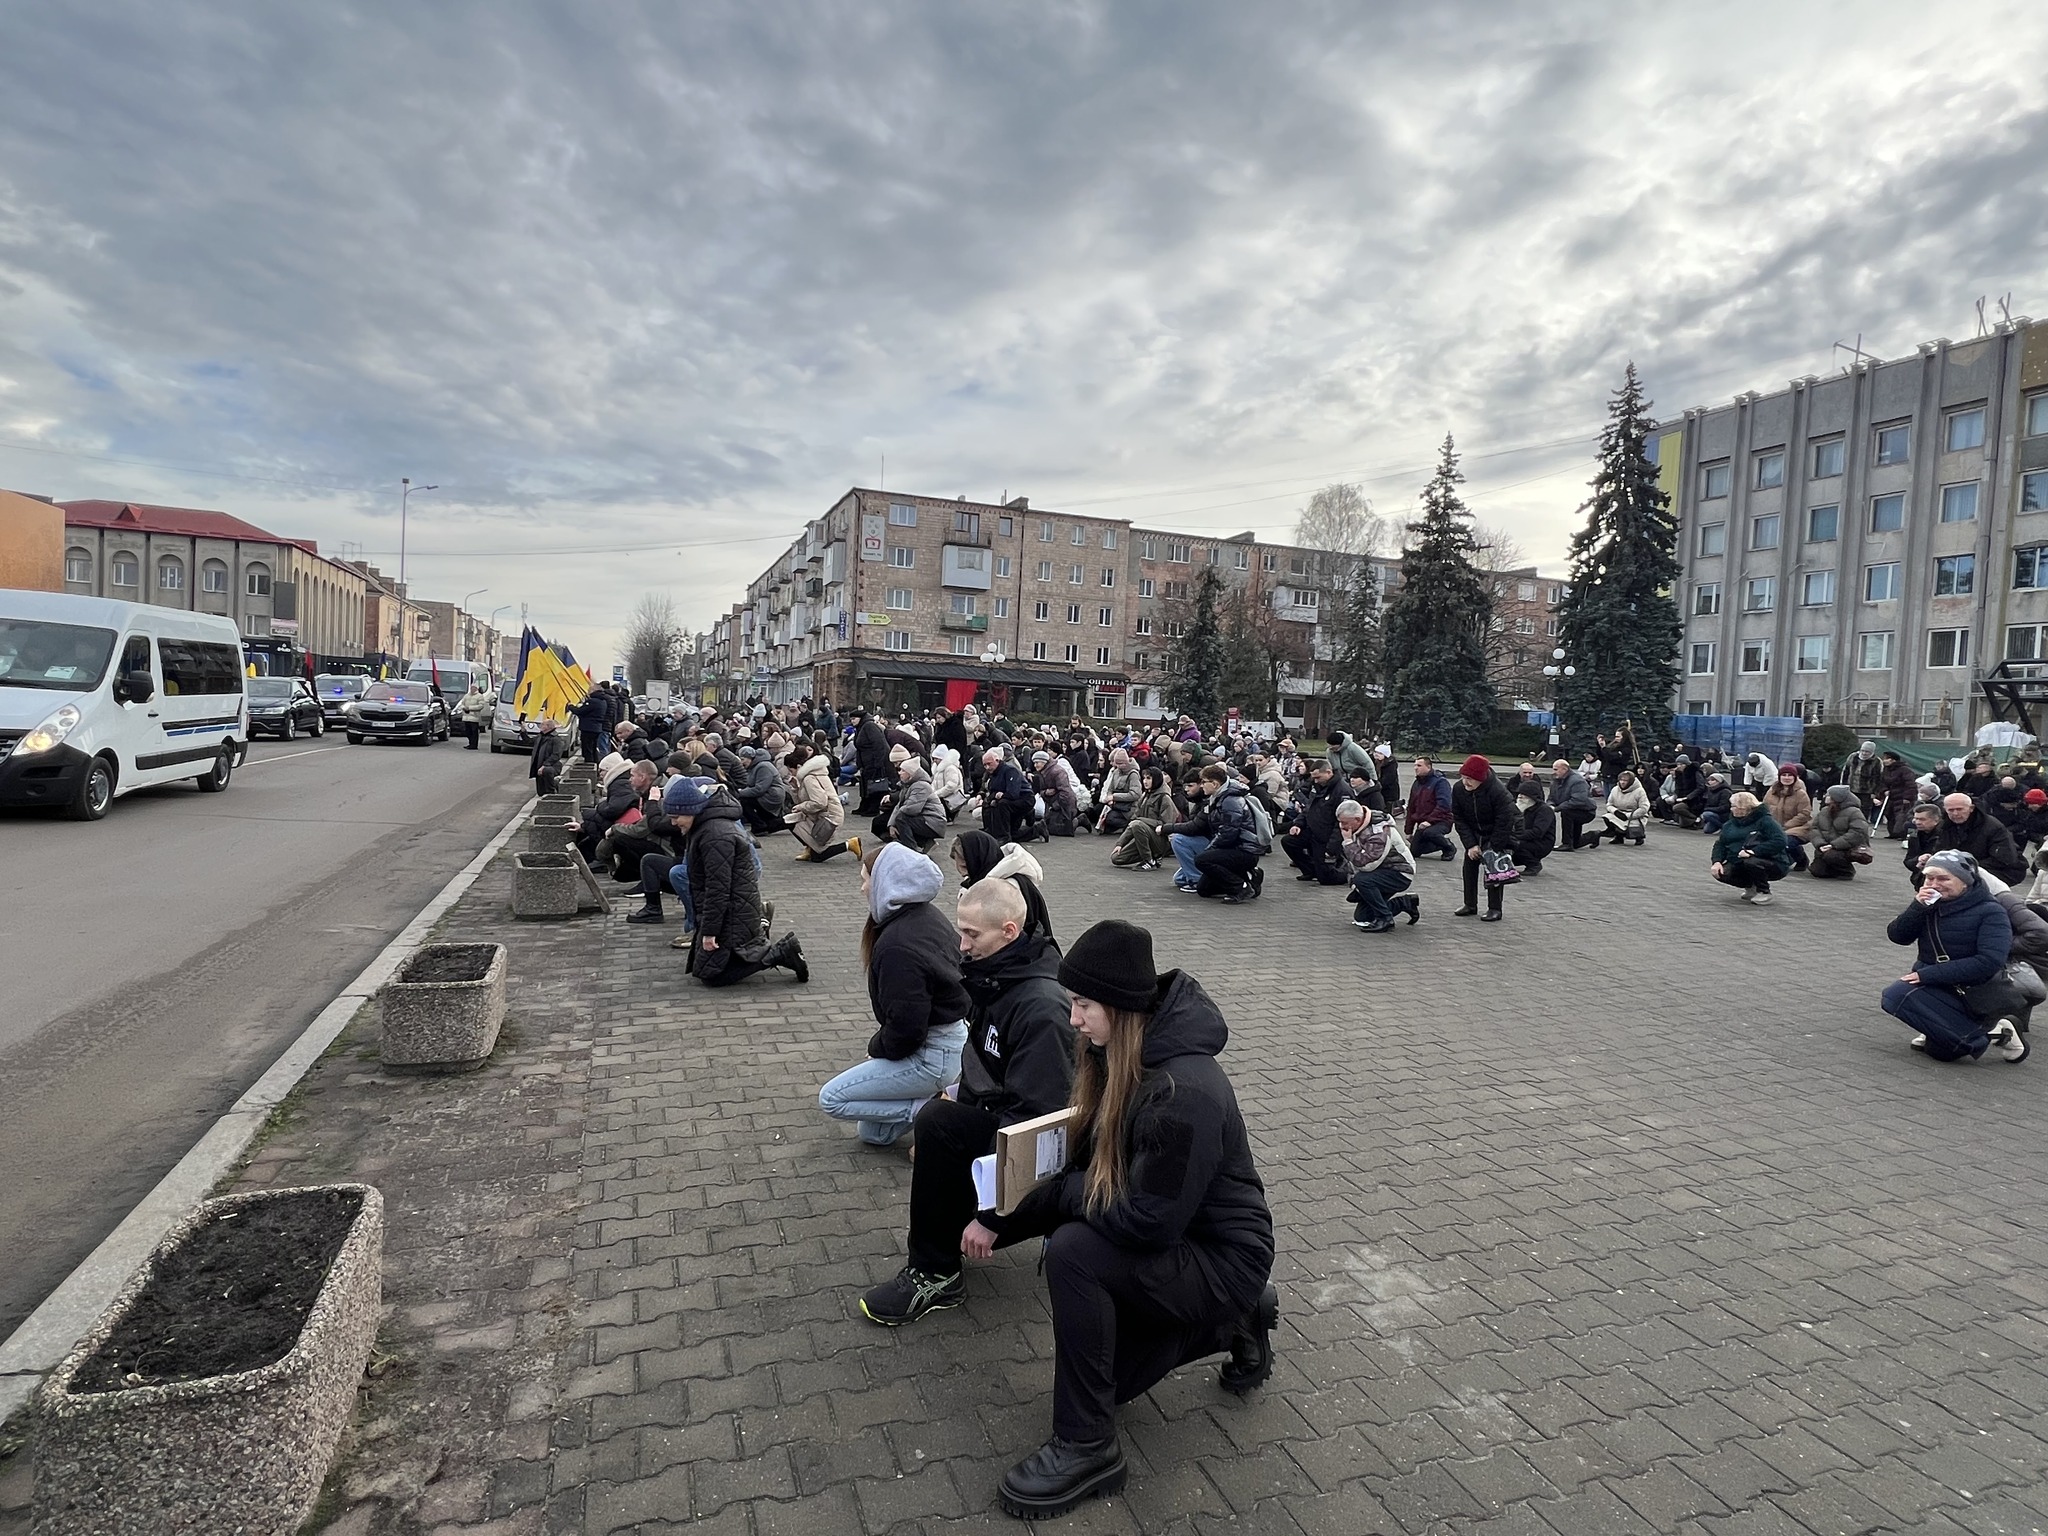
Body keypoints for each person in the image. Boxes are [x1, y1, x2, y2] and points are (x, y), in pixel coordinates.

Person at [967, 921, 1276, 1520]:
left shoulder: (1182, 1092)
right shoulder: (1118, 1055)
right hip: (1180, 1240)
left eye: (1083, 1005)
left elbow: (1143, 1222)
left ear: (1122, 1007)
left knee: (1076, 1251)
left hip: (1219, 1257)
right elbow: (1083, 1167)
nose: (1072, 1018)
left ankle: (1087, 1447)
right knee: (1114, 1381)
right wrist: (998, 1220)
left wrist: (1054, 1207)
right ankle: (1234, 1322)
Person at [860, 879, 1078, 1326]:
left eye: (972, 935)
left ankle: (935, 1273)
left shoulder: (1040, 1007)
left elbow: (1041, 1126)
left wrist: (993, 1217)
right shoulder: (996, 977)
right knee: (939, 1117)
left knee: (940, 1123)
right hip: (1010, 1123)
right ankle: (944, 1238)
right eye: (960, 931)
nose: (961, 945)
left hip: (1059, 1161)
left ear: (1010, 931)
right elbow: (983, 1067)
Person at [818, 843, 970, 1146]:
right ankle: (931, 1101)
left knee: (832, 1098)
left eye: (866, 880)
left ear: (888, 883)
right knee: (873, 1133)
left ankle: (938, 1109)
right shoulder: (925, 915)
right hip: (950, 1042)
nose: (863, 888)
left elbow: (907, 1028)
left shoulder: (898, 945)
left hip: (933, 1055)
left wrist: (878, 1047)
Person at [1882, 851, 2029, 1063]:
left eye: (1943, 878)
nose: (1934, 884)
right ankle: (1979, 1033)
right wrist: (1917, 907)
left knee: (1898, 995)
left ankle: (1996, 1032)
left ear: (1965, 882)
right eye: (1930, 878)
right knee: (1939, 1050)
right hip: (1937, 983)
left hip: (1973, 990)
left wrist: (1928, 975)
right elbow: (1898, 936)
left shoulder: (1991, 911)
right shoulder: (1929, 905)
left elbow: (1989, 961)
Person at [673, 776, 808, 985]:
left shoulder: (714, 835)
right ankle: (762, 931)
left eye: (676, 816)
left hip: (734, 911)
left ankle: (782, 951)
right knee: (704, 969)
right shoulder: (707, 827)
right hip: (734, 908)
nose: (673, 822)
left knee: (713, 977)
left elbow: (718, 889)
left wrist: (709, 932)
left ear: (691, 809)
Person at [1161, 764, 1264, 902]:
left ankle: (1241, 887)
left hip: (1244, 851)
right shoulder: (1218, 798)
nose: (1202, 785)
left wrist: (1210, 849)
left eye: (1204, 782)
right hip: (1233, 848)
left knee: (1203, 859)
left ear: (1215, 784)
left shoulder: (1230, 801)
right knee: (1203, 890)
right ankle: (1249, 878)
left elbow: (1229, 832)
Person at [952, 829, 1054, 941]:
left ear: (978, 861)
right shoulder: (990, 877)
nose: (963, 874)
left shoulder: (1006, 888)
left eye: (965, 867)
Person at [1335, 801, 1418, 931]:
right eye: (1340, 822)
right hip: (1379, 872)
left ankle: (1385, 919)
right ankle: (1405, 903)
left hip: (1399, 873)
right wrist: (1355, 886)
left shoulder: (1379, 832)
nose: (1341, 826)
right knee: (1362, 917)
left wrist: (1348, 843)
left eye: (1344, 823)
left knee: (1363, 880)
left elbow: (1367, 864)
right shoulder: (1357, 827)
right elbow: (1351, 861)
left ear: (1357, 819)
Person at [1452, 754, 1515, 922]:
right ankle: (1470, 904)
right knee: (1469, 866)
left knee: (1493, 866)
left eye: (1470, 779)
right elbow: (1458, 818)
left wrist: (1493, 846)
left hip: (1496, 832)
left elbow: (1505, 822)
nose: (1465, 782)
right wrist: (1470, 844)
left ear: (1481, 778)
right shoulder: (1459, 789)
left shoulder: (1499, 792)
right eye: (1463, 777)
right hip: (1473, 832)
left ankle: (1495, 908)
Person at [1709, 790, 1789, 905]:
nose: (1731, 809)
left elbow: (1780, 841)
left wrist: (1753, 851)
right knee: (1722, 872)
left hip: (1772, 862)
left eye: (1734, 806)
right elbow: (1720, 843)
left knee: (1751, 862)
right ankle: (1751, 887)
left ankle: (1764, 892)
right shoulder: (1729, 824)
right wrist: (1716, 861)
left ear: (1743, 807)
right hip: (1738, 860)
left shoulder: (1766, 821)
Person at [1934, 792, 2026, 886]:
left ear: (1971, 808)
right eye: (1951, 810)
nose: (1955, 813)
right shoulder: (1945, 826)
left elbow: (2004, 858)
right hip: (1965, 864)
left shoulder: (1992, 826)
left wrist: (1963, 865)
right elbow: (1941, 849)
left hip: (2003, 869)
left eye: (1959, 809)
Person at [1281, 762, 1347, 885]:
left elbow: (1342, 822)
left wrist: (1331, 847)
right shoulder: (1317, 786)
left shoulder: (1341, 791)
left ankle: (1346, 873)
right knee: (1289, 841)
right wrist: (1298, 824)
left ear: (1328, 772)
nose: (1315, 781)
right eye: (1314, 778)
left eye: (1318, 777)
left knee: (1327, 879)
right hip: (1312, 830)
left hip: (1326, 836)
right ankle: (1310, 870)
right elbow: (1309, 808)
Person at [787, 743, 850, 861]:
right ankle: (810, 848)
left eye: (791, 770)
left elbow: (820, 802)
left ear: (798, 767)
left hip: (829, 816)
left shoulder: (809, 778)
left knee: (819, 855)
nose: (791, 774)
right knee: (790, 819)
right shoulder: (809, 775)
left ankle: (850, 844)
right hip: (822, 814)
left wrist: (801, 807)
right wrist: (795, 788)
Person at [1109, 765, 1178, 869]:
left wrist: (1141, 821)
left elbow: (1166, 825)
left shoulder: (1164, 798)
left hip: (1159, 839)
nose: (1145, 781)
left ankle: (1149, 861)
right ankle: (1151, 856)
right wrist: (1120, 843)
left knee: (1138, 825)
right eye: (1144, 778)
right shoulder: (1144, 796)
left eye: (1149, 778)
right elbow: (1133, 821)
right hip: (1142, 835)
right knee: (1116, 858)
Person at [887, 753, 949, 852]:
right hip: (927, 820)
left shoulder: (921, 786)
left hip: (934, 822)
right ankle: (927, 843)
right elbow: (900, 806)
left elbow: (912, 809)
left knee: (901, 818)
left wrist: (895, 821)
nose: (899, 773)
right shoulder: (908, 785)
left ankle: (911, 850)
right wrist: (891, 825)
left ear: (911, 773)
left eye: (903, 770)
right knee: (900, 819)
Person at [1808, 785, 1873, 879]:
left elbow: (1858, 832)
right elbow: (1814, 828)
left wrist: (1834, 845)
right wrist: (1820, 844)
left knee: (1832, 856)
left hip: (1847, 847)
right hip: (1826, 846)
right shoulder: (1824, 811)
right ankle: (1833, 868)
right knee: (1817, 871)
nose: (1826, 797)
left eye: (1829, 795)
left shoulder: (1854, 812)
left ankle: (1847, 871)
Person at [1403, 757, 1457, 861]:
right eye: (1415, 765)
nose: (1415, 768)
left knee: (1430, 833)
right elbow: (1411, 808)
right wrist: (1408, 831)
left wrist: (1429, 821)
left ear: (1428, 767)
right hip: (1423, 822)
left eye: (1419, 765)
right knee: (1414, 851)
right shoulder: (1417, 783)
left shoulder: (1440, 782)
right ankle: (1439, 844)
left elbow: (1444, 805)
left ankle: (1449, 847)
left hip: (1442, 820)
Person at [1763, 765, 1814, 873]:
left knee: (1786, 841)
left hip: (1798, 827)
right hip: (1775, 826)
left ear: (1795, 777)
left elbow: (1804, 814)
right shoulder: (1771, 792)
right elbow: (1764, 808)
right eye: (1784, 775)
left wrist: (1786, 826)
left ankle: (1801, 859)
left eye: (1790, 775)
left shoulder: (1801, 794)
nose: (1786, 777)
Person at [980, 748, 1035, 843]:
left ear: (997, 760)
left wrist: (1001, 795)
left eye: (989, 764)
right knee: (988, 804)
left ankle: (1003, 836)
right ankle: (991, 830)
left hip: (1025, 799)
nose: (987, 767)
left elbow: (1013, 793)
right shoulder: (993, 773)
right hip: (1011, 799)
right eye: (985, 765)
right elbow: (992, 791)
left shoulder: (1011, 770)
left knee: (1002, 804)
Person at [1548, 758, 1597, 851]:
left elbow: (1578, 800)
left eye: (1556, 769)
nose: (1553, 772)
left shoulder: (1577, 781)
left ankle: (1566, 844)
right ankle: (1593, 836)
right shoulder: (1556, 781)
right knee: (1576, 843)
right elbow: (1551, 797)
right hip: (1572, 809)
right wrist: (1550, 805)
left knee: (1566, 813)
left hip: (1585, 811)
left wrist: (1557, 808)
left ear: (1564, 769)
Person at [1597, 770, 1651, 846]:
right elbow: (1609, 804)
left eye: (1625, 780)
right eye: (1621, 780)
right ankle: (1618, 836)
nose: (1622, 782)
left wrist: (1628, 816)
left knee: (1631, 827)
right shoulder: (1615, 789)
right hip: (1619, 813)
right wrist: (1615, 811)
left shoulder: (1639, 791)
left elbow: (1644, 808)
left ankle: (1638, 836)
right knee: (1607, 817)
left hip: (1635, 816)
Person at [1511, 786, 1556, 876]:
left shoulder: (1544, 810)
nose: (1520, 797)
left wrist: (1516, 836)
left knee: (1515, 843)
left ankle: (1533, 864)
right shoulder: (1522, 808)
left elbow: (1538, 832)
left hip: (1542, 843)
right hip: (1527, 839)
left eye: (1524, 795)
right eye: (1519, 794)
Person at [529, 717, 566, 796]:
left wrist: (544, 765)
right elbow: (529, 741)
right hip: (539, 767)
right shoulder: (540, 736)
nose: (541, 725)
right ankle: (552, 785)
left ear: (548, 727)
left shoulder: (556, 739)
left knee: (548, 790)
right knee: (541, 792)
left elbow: (556, 755)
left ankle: (553, 786)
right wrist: (522, 731)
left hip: (551, 766)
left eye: (543, 724)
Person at [456, 679, 494, 749]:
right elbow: (462, 704)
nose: (472, 689)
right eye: (471, 688)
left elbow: (481, 706)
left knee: (474, 732)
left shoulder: (479, 696)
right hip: (466, 717)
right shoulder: (466, 696)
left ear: (477, 688)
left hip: (474, 718)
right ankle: (470, 743)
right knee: (467, 731)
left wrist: (470, 708)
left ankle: (474, 745)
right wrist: (464, 708)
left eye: (474, 688)